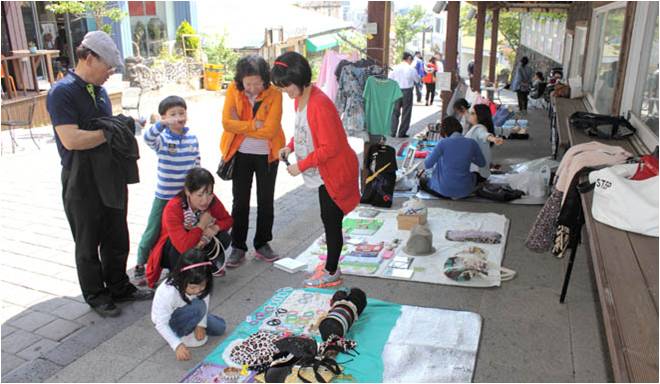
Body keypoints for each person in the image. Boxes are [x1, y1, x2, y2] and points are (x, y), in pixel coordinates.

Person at [46, 31, 152, 318]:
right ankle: (96, 294)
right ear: (89, 57)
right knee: (87, 239)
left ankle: (119, 285)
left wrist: (114, 130)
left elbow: (101, 130)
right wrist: (109, 132)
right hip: (81, 179)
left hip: (110, 173)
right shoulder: (62, 92)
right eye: (108, 66)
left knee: (117, 233)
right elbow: (71, 139)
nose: (111, 72)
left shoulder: (101, 91)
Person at [271, 52, 360, 288]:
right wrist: (289, 147)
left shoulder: (320, 104)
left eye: (286, 85)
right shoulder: (301, 98)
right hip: (324, 172)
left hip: (334, 172)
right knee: (328, 219)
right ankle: (331, 265)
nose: (284, 91)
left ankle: (332, 271)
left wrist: (301, 165)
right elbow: (303, 130)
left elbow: (330, 147)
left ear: (299, 78)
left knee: (332, 222)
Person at [221, 55, 285, 268]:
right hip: (240, 154)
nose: (253, 88)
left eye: (257, 83)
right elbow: (226, 123)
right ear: (241, 80)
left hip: (267, 155)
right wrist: (254, 125)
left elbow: (271, 129)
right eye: (248, 83)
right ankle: (238, 246)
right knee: (240, 201)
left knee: (266, 200)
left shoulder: (274, 94)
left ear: (265, 79)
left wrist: (244, 126)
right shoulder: (233, 89)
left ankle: (262, 243)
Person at [134, 96, 200, 285]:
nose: (178, 117)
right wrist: (163, 124)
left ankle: (180, 265)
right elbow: (147, 137)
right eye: (173, 114)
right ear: (164, 117)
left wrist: (198, 188)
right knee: (153, 230)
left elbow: (196, 163)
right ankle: (141, 264)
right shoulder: (162, 138)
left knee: (182, 231)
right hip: (164, 196)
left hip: (184, 198)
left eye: (181, 113)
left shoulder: (192, 138)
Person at [146, 168, 233, 288]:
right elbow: (184, 247)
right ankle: (178, 273)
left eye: (209, 193)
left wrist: (216, 228)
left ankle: (203, 265)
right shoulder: (173, 207)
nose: (205, 200)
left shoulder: (211, 200)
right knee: (177, 248)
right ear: (187, 192)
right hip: (173, 249)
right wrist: (202, 224)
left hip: (197, 240)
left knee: (224, 237)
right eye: (200, 195)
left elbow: (228, 220)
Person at [151, 248, 226, 361]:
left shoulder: (200, 284)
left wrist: (201, 324)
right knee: (199, 307)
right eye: (192, 287)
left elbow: (204, 297)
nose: (197, 290)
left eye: (202, 286)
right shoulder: (168, 293)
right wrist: (177, 345)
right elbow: (161, 324)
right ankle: (180, 333)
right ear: (181, 279)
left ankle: (195, 321)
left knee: (220, 327)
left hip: (191, 309)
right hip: (171, 320)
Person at [419, 116, 486, 199]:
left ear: (444, 131)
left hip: (443, 190)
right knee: (476, 175)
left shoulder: (443, 143)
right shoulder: (472, 143)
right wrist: (467, 156)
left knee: (422, 180)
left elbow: (427, 164)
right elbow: (482, 163)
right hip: (465, 190)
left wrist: (431, 154)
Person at [465, 104, 505, 182]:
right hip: (479, 171)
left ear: (480, 116)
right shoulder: (481, 127)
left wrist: (493, 139)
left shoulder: (479, 128)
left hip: (475, 173)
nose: (470, 115)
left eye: (473, 113)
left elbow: (484, 135)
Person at [389, 52, 420, 138]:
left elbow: (390, 79)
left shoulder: (395, 68)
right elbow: (417, 80)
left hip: (396, 90)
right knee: (406, 112)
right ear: (409, 58)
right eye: (411, 60)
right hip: (407, 91)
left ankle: (392, 132)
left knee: (395, 112)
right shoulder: (411, 69)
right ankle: (402, 133)